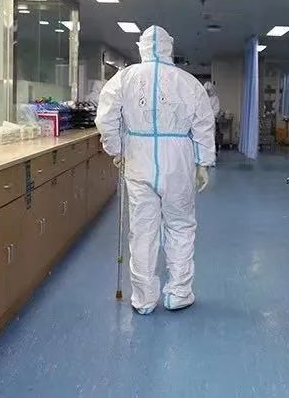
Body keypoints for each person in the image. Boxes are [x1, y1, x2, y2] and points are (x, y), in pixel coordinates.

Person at [95, 26, 216, 314]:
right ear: (169, 47)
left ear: (142, 47)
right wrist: (203, 163)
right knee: (180, 226)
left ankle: (144, 298)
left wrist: (116, 150)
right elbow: (203, 123)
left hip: (138, 157)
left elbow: (106, 117)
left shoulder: (124, 77)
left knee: (142, 230)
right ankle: (179, 293)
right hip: (178, 159)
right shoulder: (188, 81)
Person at [203, 81, 222, 152]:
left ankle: (212, 153)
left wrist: (209, 116)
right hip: (202, 121)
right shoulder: (202, 98)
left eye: (208, 91)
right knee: (203, 137)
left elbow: (216, 110)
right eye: (206, 91)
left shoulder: (215, 98)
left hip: (211, 121)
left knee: (211, 137)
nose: (207, 92)